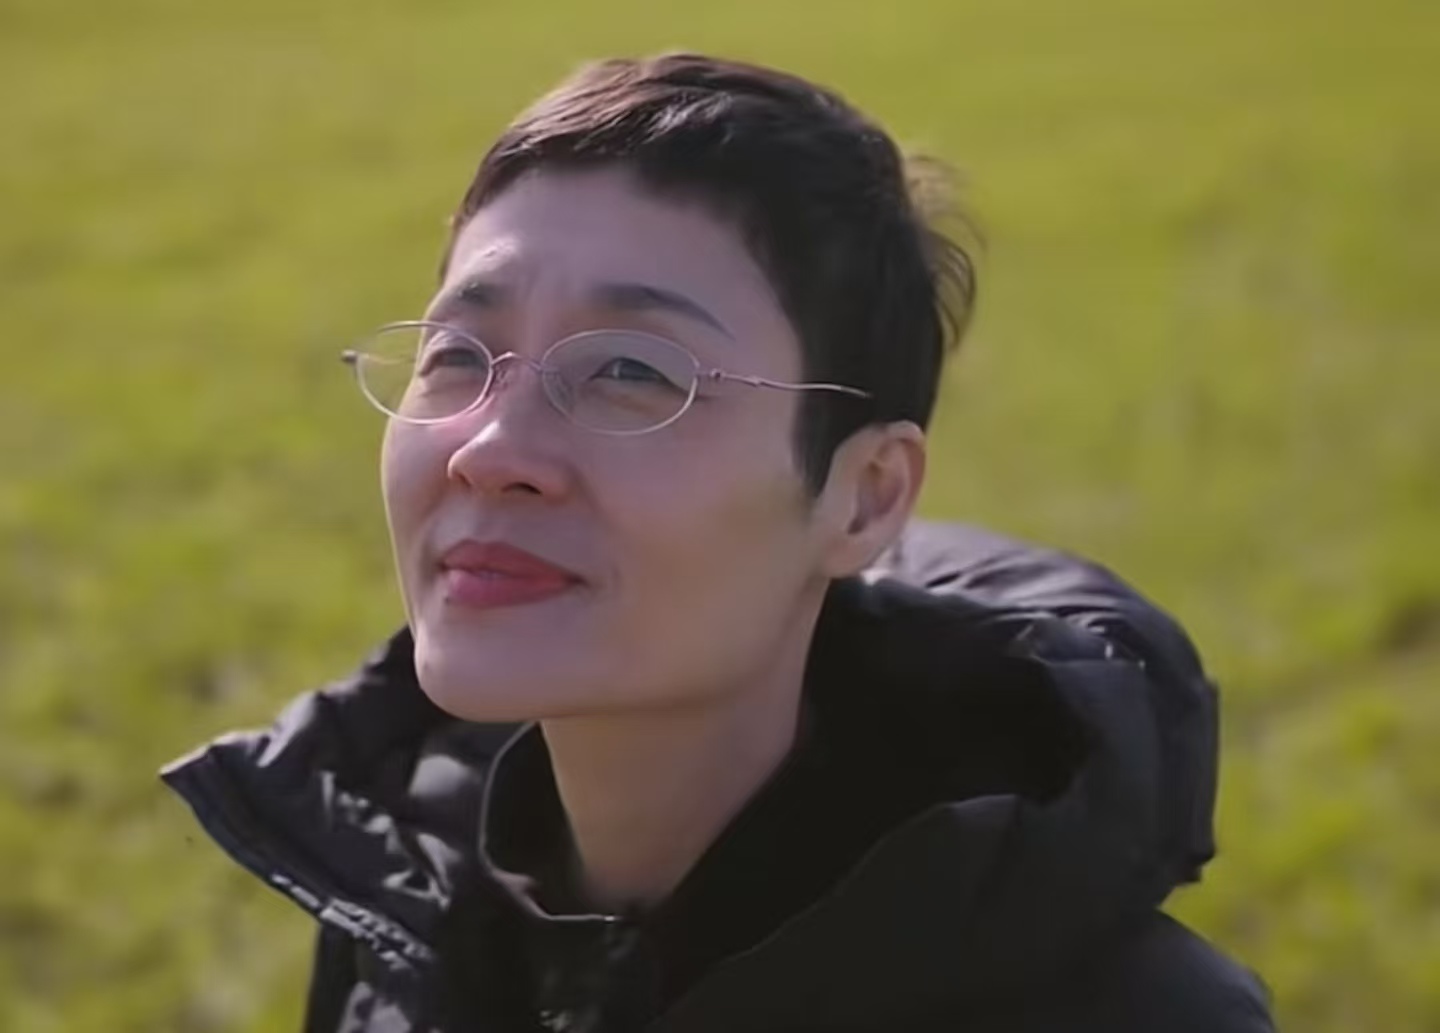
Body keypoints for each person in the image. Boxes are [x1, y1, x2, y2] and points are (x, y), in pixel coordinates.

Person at [163, 53, 1276, 1033]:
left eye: (631, 371)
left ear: (864, 499)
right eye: (456, 353)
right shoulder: (397, 891)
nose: (490, 449)